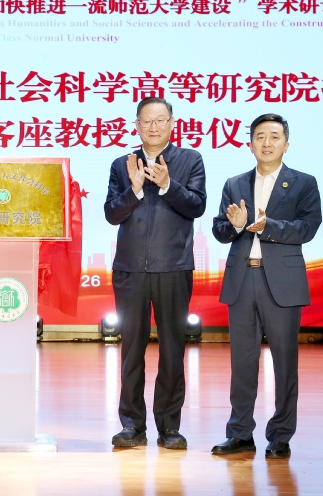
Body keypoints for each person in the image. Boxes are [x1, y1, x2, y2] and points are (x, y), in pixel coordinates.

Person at [211, 113, 321, 459]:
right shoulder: (234, 184)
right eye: (260, 137)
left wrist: (265, 225)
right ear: (250, 144)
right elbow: (219, 230)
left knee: (284, 362)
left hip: (282, 283)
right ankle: (240, 433)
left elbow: (307, 228)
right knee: (242, 362)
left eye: (274, 137)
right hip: (243, 279)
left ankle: (281, 436)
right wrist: (235, 225)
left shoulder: (303, 183)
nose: (267, 143)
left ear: (287, 144)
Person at [104, 97, 207, 449]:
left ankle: (169, 427)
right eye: (146, 121)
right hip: (130, 270)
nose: (153, 127)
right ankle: (132, 425)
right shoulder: (122, 164)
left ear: (172, 123)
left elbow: (197, 206)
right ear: (136, 125)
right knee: (131, 350)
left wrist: (167, 185)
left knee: (172, 350)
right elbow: (112, 214)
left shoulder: (190, 160)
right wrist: (134, 189)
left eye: (160, 120)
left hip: (173, 267)